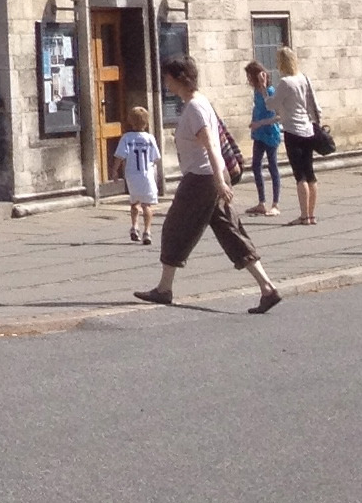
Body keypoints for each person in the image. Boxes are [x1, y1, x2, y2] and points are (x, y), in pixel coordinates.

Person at [137, 56, 282, 312]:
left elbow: (212, 146)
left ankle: (164, 289)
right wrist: (220, 179)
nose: (165, 83)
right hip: (209, 178)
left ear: (179, 78)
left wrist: (219, 180)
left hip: (201, 179)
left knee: (174, 228)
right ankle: (267, 289)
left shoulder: (195, 107)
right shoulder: (198, 102)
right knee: (230, 231)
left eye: (167, 78)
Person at [274, 45, 326, 224]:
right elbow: (315, 105)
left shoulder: (285, 82)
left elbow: (272, 104)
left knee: (300, 175)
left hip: (293, 131)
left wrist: (265, 92)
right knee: (310, 172)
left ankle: (304, 215)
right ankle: (311, 215)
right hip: (308, 129)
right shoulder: (304, 78)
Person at [116, 105, 162, 245]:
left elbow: (120, 156)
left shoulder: (127, 138)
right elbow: (156, 158)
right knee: (147, 205)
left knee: (134, 202)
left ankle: (134, 226)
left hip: (132, 175)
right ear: (146, 122)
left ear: (130, 121)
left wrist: (114, 171)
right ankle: (147, 231)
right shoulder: (149, 138)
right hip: (146, 175)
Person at [245, 58, 283, 213]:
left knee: (272, 165)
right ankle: (261, 202)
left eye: (250, 76)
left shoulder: (271, 91)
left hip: (270, 132)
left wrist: (263, 85)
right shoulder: (256, 92)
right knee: (256, 165)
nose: (248, 80)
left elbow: (278, 115)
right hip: (259, 133)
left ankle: (275, 204)